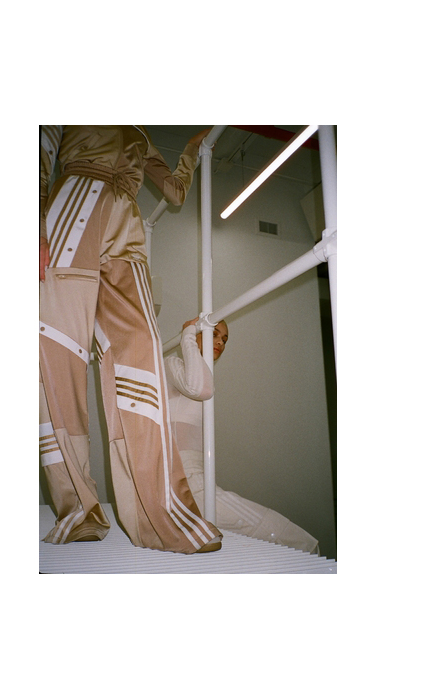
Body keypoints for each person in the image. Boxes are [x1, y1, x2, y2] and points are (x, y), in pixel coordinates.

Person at [39, 126, 222, 553]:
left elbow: (175, 192)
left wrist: (191, 150)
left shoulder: (141, 134)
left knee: (142, 354)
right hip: (70, 210)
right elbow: (39, 151)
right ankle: (78, 509)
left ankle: (159, 512)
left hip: (127, 229)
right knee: (58, 355)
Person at [164, 318, 319, 553]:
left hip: (197, 482)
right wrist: (187, 334)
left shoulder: (200, 376)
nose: (220, 342)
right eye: (214, 334)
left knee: (290, 541)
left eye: (224, 339)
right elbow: (198, 388)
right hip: (188, 483)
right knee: (297, 540)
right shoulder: (172, 364)